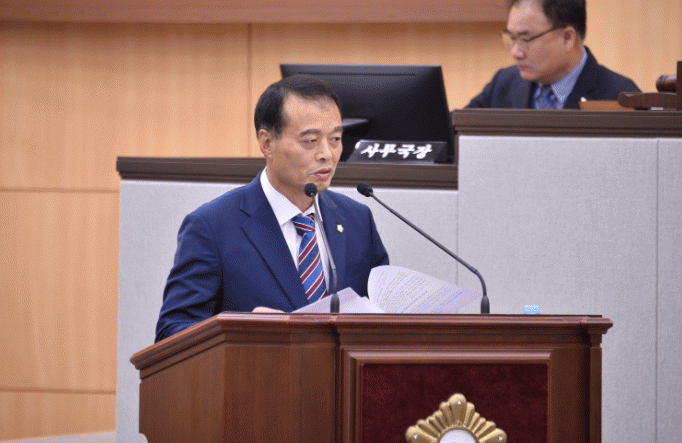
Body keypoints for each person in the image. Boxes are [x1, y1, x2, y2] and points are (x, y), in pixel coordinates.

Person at [155, 75, 389, 342]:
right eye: (310, 141)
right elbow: (172, 332)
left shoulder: (357, 220)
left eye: (335, 139)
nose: (327, 153)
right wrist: (241, 331)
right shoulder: (212, 226)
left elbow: (381, 314)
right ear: (267, 143)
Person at [465, 0, 640, 109]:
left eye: (526, 39)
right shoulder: (504, 84)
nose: (515, 52)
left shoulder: (620, 96)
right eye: (511, 38)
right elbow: (456, 135)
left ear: (567, 38)